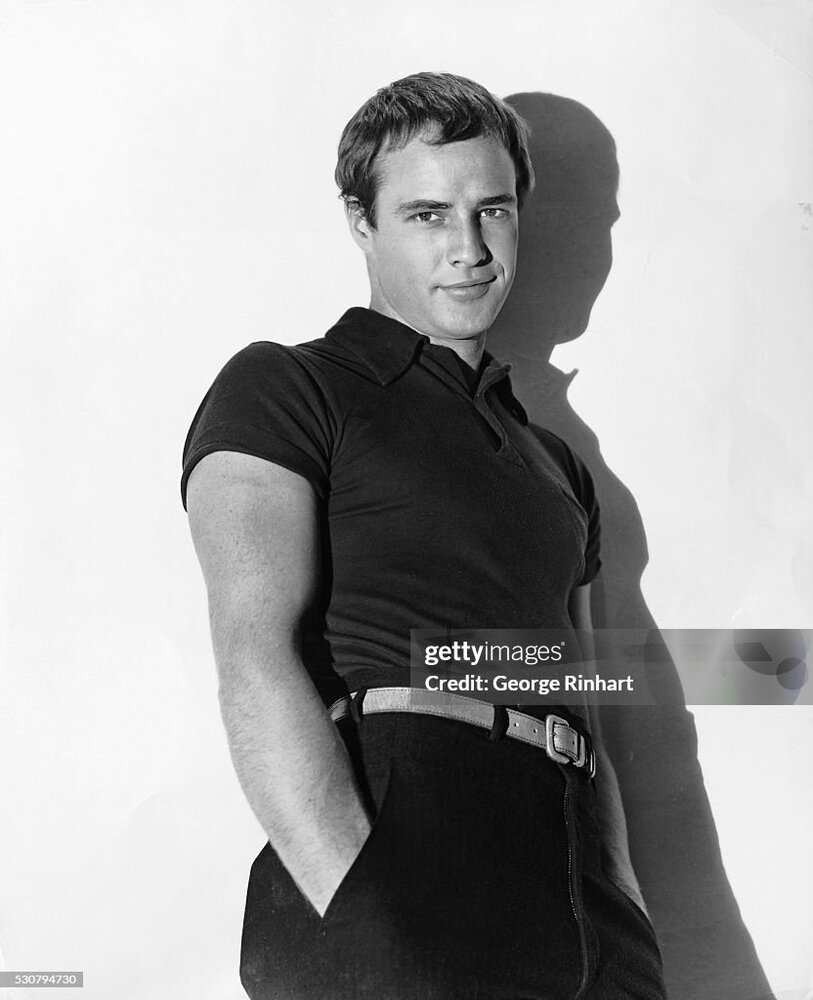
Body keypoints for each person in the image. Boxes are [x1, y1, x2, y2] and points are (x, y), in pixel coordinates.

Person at [181, 72, 668, 999]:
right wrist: (361, 905)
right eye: (426, 215)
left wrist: (625, 905)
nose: (469, 248)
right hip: (402, 852)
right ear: (361, 223)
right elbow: (253, 654)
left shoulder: (554, 460)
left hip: (579, 890)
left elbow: (575, 682)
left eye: (493, 208)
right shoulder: (288, 385)